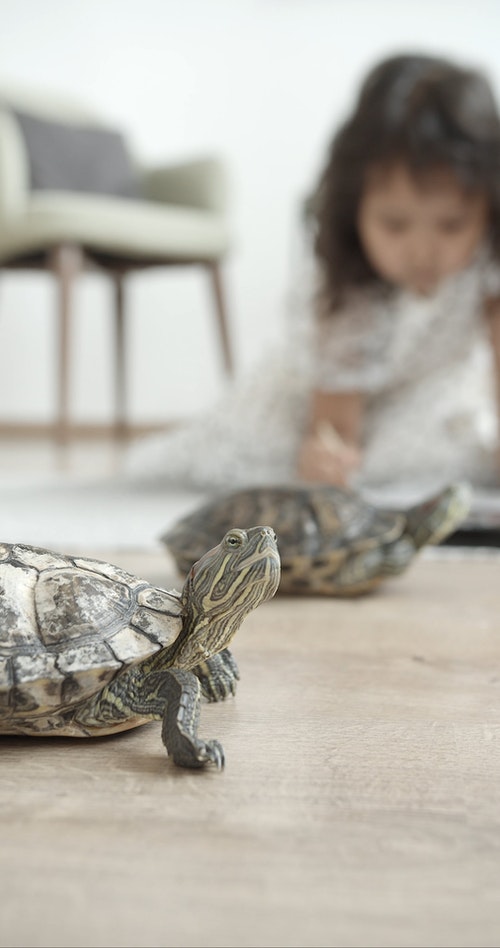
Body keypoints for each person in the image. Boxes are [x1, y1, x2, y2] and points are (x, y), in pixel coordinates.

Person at [126, 52, 500, 498]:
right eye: (395, 224)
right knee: (300, 470)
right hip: (311, 410)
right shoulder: (348, 284)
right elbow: (335, 428)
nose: (421, 250)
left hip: (411, 407)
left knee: (459, 454)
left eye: (451, 225)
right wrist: (328, 457)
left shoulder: (485, 269)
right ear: (354, 206)